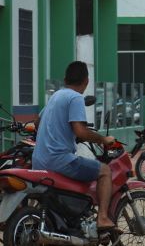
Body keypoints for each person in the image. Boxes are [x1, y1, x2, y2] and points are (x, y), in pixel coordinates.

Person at [32, 61, 118, 231]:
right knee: (105, 171)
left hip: (38, 161)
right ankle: (102, 218)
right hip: (59, 160)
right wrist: (103, 139)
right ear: (86, 80)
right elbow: (80, 131)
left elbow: (37, 123)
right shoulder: (76, 97)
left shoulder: (56, 96)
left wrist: (60, 132)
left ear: (65, 79)